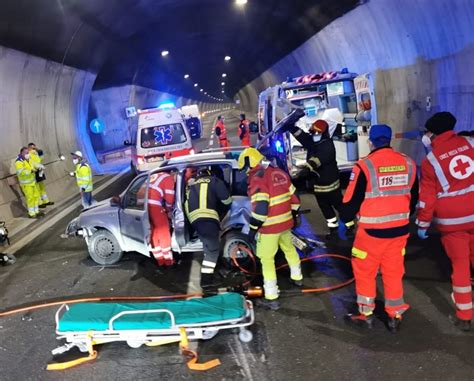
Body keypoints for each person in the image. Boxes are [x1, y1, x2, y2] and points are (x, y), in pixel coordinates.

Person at [338, 124, 419, 333]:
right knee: (393, 271)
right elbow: (413, 198)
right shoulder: (408, 163)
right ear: (389, 140)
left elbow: (350, 203)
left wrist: (346, 221)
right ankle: (395, 315)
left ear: (371, 141)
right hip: (399, 230)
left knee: (365, 272)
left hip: (371, 233)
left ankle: (365, 315)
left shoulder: (365, 166)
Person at [416, 112, 473, 332]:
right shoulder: (470, 142)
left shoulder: (430, 160)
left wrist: (422, 225)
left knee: (460, 266)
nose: (426, 136)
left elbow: (427, 198)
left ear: (433, 132)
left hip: (453, 221)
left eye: (427, 132)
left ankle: (465, 315)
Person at [238, 147, 303, 311]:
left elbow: (261, 209)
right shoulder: (279, 172)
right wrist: (292, 216)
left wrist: (252, 231)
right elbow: (296, 199)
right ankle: (297, 278)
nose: (245, 173)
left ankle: (272, 297)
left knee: (267, 260)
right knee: (289, 249)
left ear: (249, 164)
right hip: (286, 223)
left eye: (245, 169)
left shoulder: (257, 179)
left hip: (269, 228)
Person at [287, 119, 354, 238]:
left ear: (324, 133)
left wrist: (307, 169)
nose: (314, 135)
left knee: (339, 206)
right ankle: (333, 229)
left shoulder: (327, 145)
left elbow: (319, 159)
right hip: (318, 187)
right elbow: (304, 138)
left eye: (317, 133)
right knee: (325, 208)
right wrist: (292, 128)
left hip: (331, 186)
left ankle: (350, 226)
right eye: (313, 132)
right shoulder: (314, 141)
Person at [185, 166, 233, 289]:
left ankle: (211, 273)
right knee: (213, 251)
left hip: (195, 221)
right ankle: (206, 281)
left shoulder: (191, 186)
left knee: (208, 248)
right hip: (208, 219)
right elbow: (227, 201)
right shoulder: (214, 181)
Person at [148, 171, 176, 266]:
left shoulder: (156, 175)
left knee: (153, 233)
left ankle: (160, 260)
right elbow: (169, 197)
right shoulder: (169, 178)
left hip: (143, 205)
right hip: (155, 206)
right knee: (164, 232)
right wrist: (169, 210)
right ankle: (168, 261)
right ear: (174, 173)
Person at [15, 147, 41, 218]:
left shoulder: (29, 159)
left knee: (36, 196)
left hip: (32, 182)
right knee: (30, 198)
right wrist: (31, 171)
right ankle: (31, 213)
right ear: (21, 153)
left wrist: (38, 167)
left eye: (28, 153)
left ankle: (36, 211)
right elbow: (21, 172)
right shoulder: (18, 162)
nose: (27, 154)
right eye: (26, 153)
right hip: (26, 184)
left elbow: (33, 165)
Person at [28, 143, 54, 207]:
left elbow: (41, 158)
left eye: (34, 148)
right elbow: (32, 163)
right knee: (37, 188)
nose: (33, 149)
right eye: (32, 148)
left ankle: (46, 201)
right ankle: (40, 203)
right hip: (35, 172)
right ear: (29, 148)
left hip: (40, 171)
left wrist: (39, 151)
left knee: (42, 187)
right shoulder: (29, 155)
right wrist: (36, 167)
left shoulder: (36, 153)